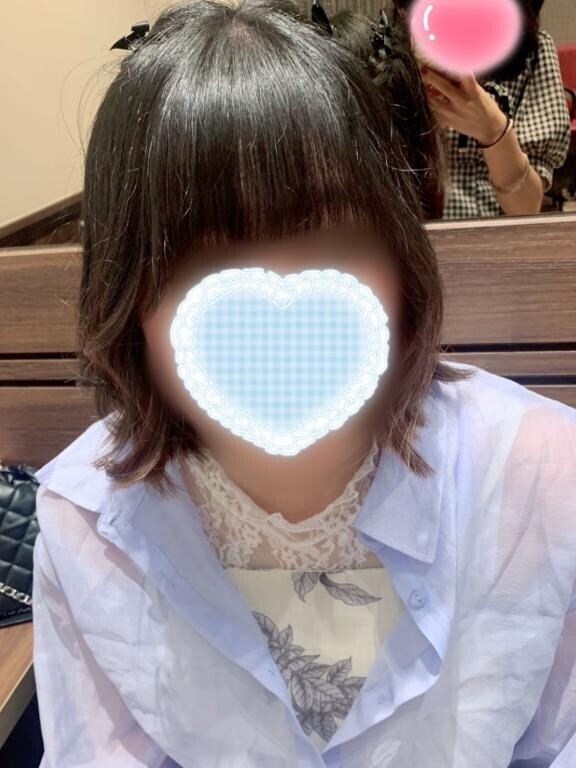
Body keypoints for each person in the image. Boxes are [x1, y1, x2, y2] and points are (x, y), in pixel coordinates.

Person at [31, 1, 576, 766]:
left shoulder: (542, 473)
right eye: (205, 262)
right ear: (127, 291)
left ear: (400, 258)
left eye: (333, 243)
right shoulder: (85, 518)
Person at [395, 0, 571, 218]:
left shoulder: (531, 52)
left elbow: (526, 207)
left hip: (490, 230)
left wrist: (494, 131)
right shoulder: (392, 45)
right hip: (407, 232)